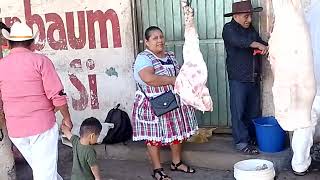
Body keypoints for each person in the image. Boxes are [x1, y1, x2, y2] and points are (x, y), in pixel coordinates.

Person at [0, 22, 73, 180]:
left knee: (45, 169)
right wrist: (67, 118)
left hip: (16, 130)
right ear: (32, 43)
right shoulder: (40, 61)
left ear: (9, 44)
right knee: (45, 173)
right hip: (41, 127)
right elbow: (57, 96)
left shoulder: (1, 65)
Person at [131, 26, 198, 180]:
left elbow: (181, 73)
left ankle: (176, 163)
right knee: (154, 138)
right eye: (155, 38)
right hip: (154, 104)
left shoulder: (170, 56)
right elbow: (149, 78)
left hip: (173, 103)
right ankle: (157, 169)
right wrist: (173, 80)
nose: (160, 40)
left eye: (161, 37)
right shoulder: (144, 58)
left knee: (177, 134)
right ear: (147, 42)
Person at [222, 1, 268, 155]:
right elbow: (239, 42)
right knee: (239, 111)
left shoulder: (251, 30)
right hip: (238, 78)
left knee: (253, 112)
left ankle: (251, 138)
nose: (249, 19)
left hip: (253, 77)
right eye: (245, 16)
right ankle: (241, 142)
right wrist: (256, 45)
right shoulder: (229, 29)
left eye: (250, 16)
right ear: (235, 16)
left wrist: (267, 46)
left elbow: (261, 43)